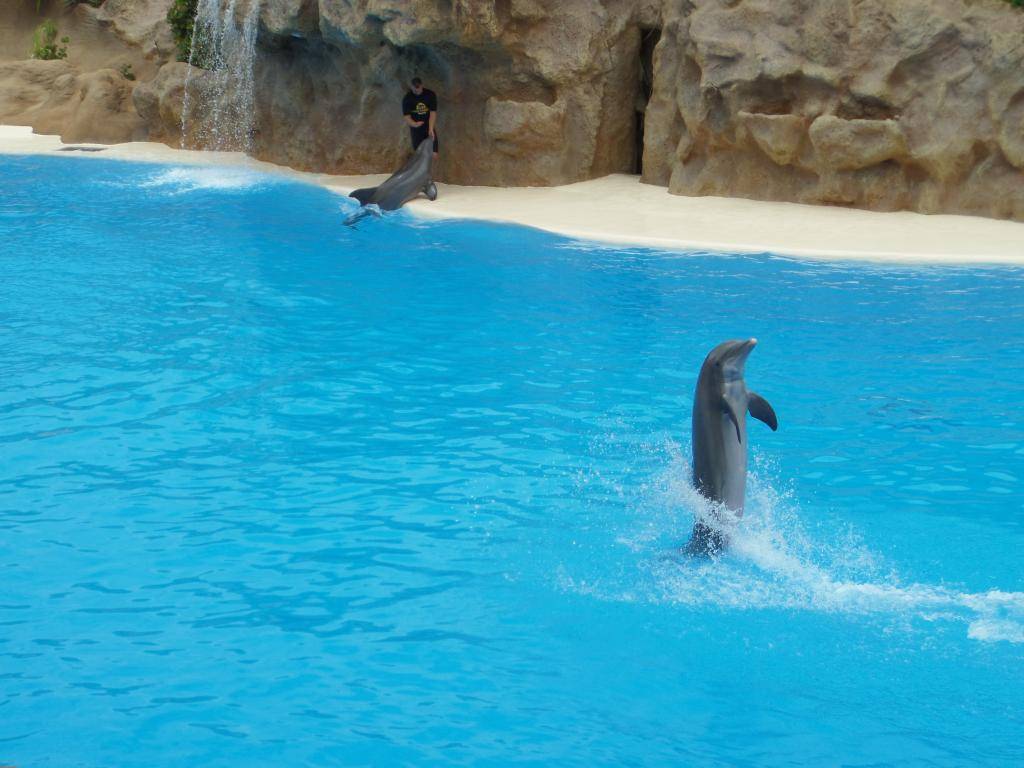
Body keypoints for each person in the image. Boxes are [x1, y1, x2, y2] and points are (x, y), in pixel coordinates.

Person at [402, 77, 439, 160]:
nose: (417, 92)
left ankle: (429, 170)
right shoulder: (407, 98)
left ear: (422, 85)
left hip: (428, 126)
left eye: (418, 89)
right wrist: (414, 124)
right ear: (411, 87)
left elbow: (433, 112)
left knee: (434, 154)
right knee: (418, 156)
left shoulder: (430, 95)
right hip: (416, 130)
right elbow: (407, 116)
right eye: (414, 90)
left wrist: (431, 128)